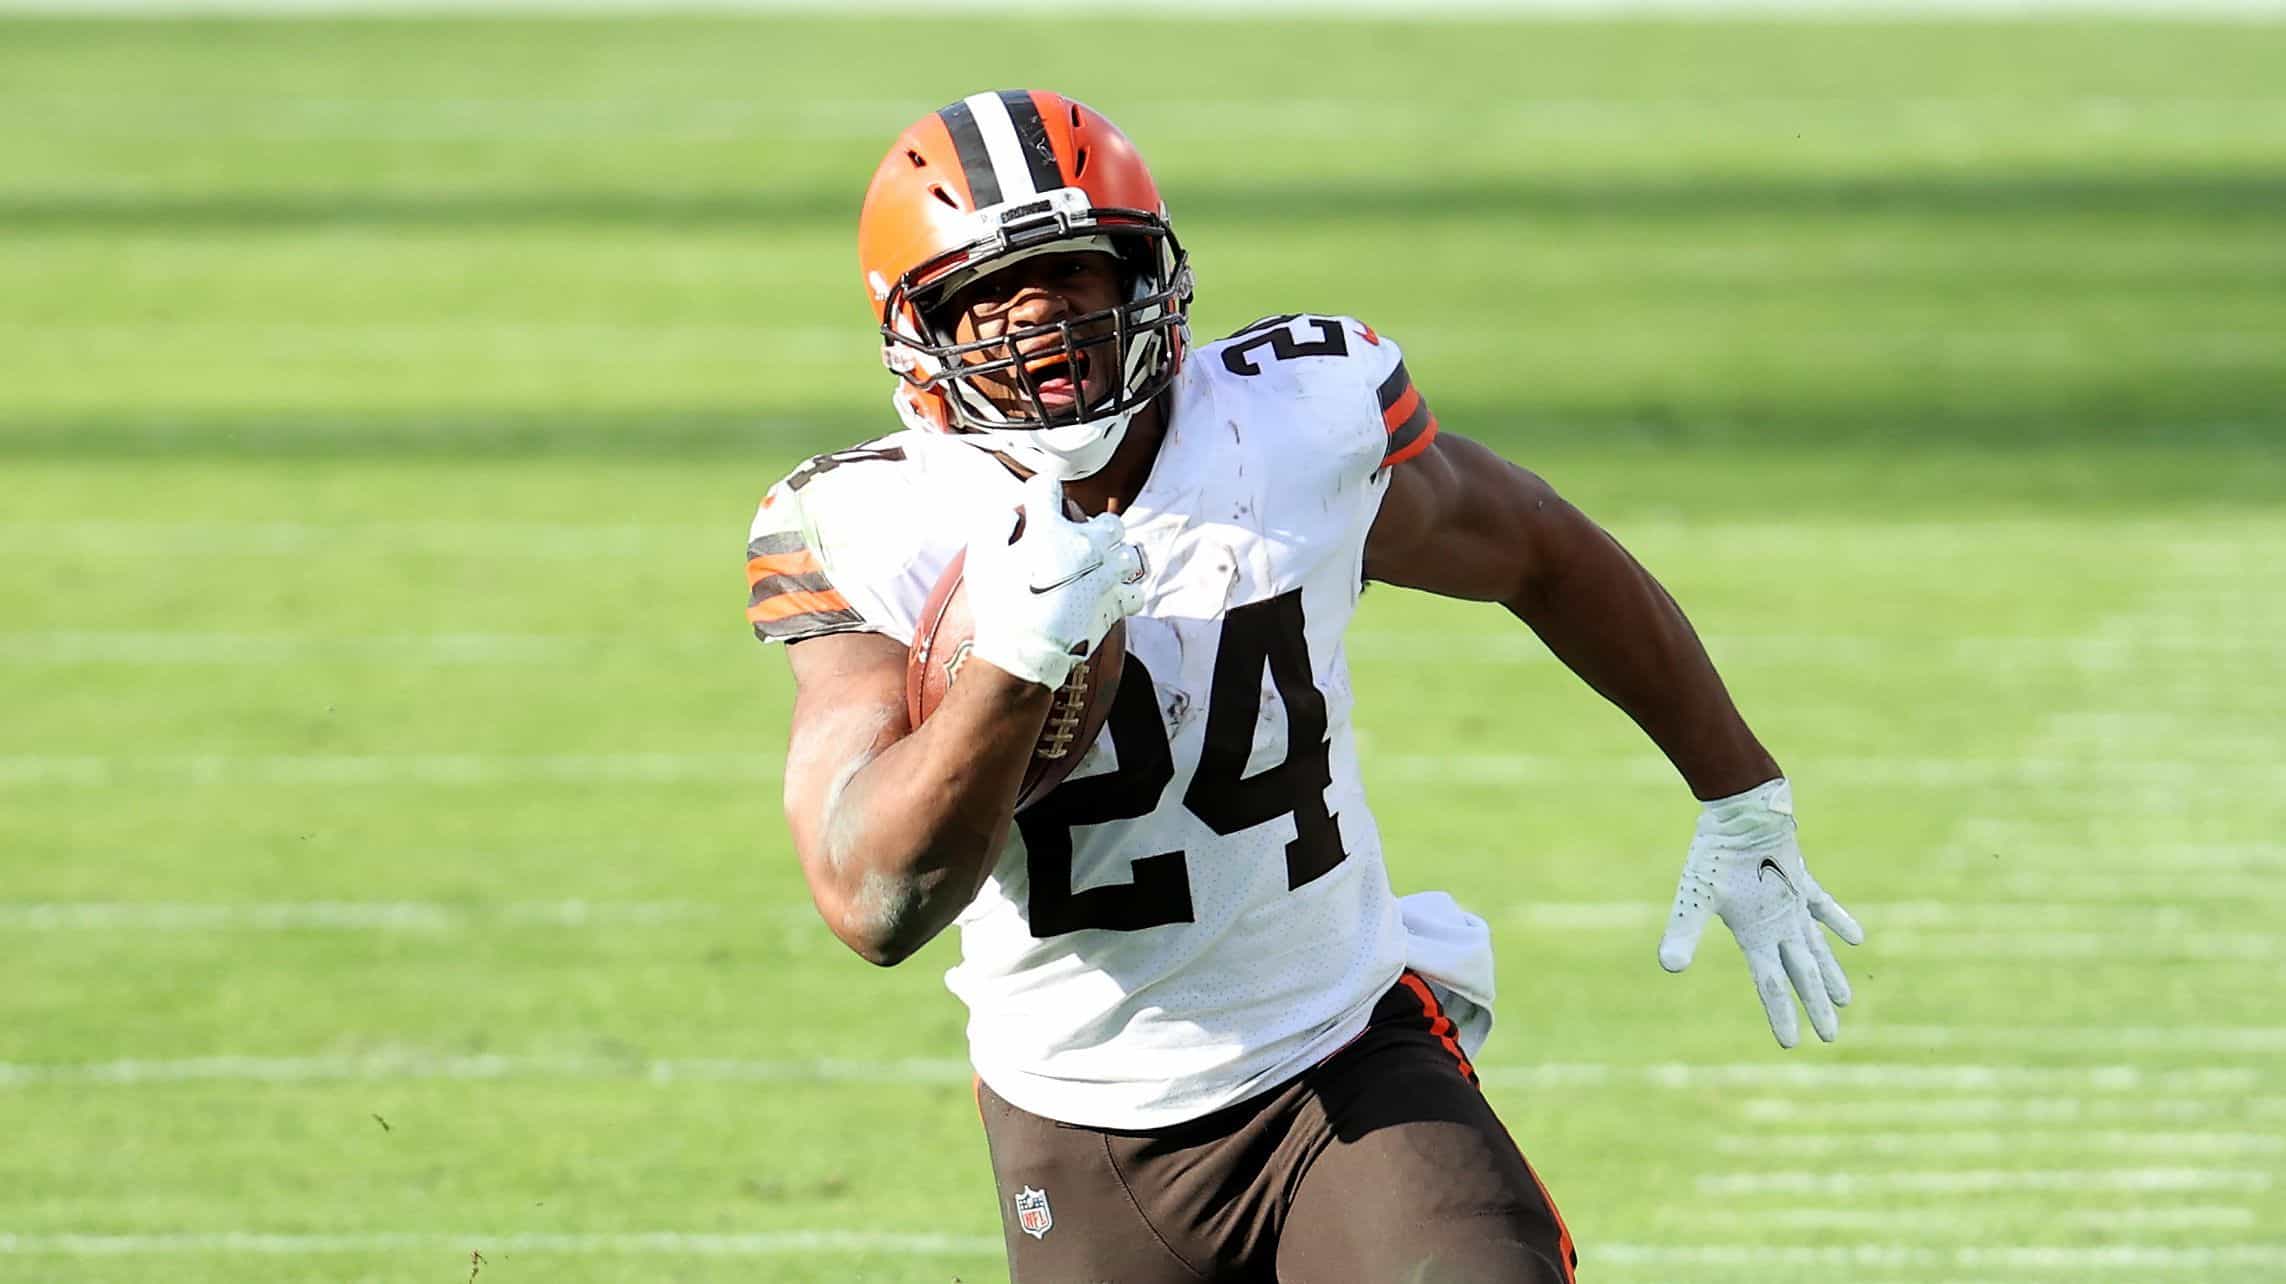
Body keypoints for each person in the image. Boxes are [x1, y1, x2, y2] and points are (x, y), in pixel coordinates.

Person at [747, 89, 1864, 1283]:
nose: (1039, 320)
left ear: (1150, 278)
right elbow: (875, 903)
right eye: (985, 293)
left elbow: (1540, 549)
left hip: (1343, 1058)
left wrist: (1736, 787)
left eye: (1077, 273)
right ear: (917, 332)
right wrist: (1015, 666)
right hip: (1079, 1123)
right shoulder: (874, 524)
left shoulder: (1289, 429)